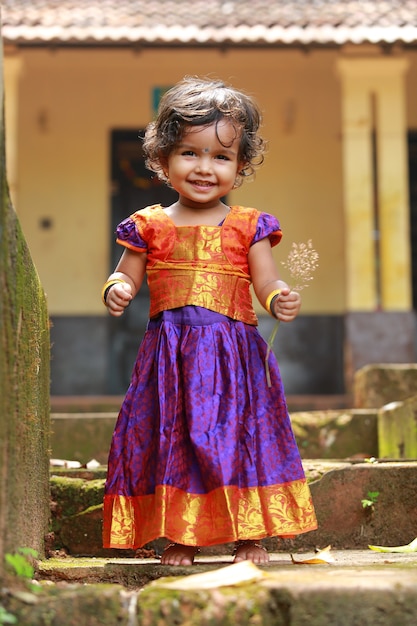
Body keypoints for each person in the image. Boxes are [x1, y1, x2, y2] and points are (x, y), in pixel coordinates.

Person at [102, 76, 317, 566]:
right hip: (171, 359)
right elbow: (124, 277)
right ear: (162, 160)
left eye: (221, 157)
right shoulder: (148, 224)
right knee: (175, 439)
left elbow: (266, 283)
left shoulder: (250, 225)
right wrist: (117, 290)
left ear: (240, 167)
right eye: (190, 154)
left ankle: (250, 536)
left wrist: (280, 298)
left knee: (244, 438)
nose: (205, 168)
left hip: (235, 360)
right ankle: (181, 536)